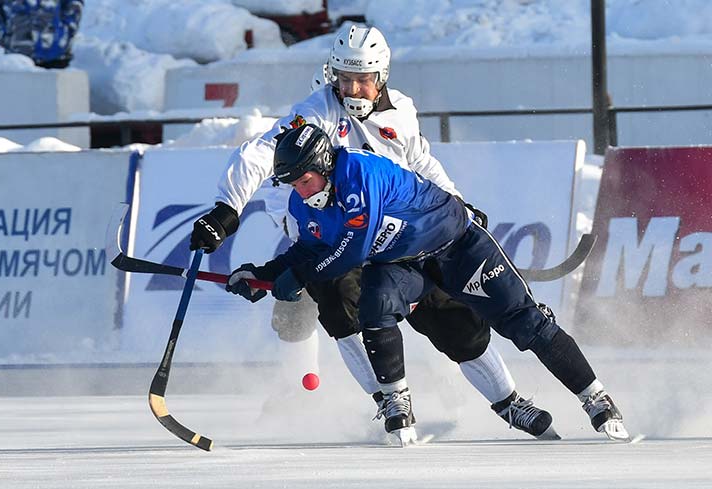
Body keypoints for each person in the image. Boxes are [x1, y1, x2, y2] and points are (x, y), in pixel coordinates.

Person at [189, 23, 555, 442]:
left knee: (454, 321)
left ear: (381, 77)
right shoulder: (317, 114)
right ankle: (382, 397)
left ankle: (509, 402)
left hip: (401, 240)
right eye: (345, 80)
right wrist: (226, 209)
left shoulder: (401, 111)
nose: (354, 89)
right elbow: (262, 155)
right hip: (335, 240)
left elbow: (421, 161)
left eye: (363, 79)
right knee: (336, 300)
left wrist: (457, 203)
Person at [229, 122, 630, 444]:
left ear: (324, 166)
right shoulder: (304, 203)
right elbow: (307, 250)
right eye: (293, 184)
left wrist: (298, 277)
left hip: (458, 247)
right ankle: (396, 401)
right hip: (403, 262)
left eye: (303, 180)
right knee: (375, 306)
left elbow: (352, 249)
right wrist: (260, 274)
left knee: (524, 324)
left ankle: (595, 397)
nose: (299, 191)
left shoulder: (358, 173)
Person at [0, 0, 84, 69]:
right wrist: (6, 38)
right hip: (19, 59)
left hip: (57, 56)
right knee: (20, 101)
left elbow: (74, 6)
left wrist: (65, 33)